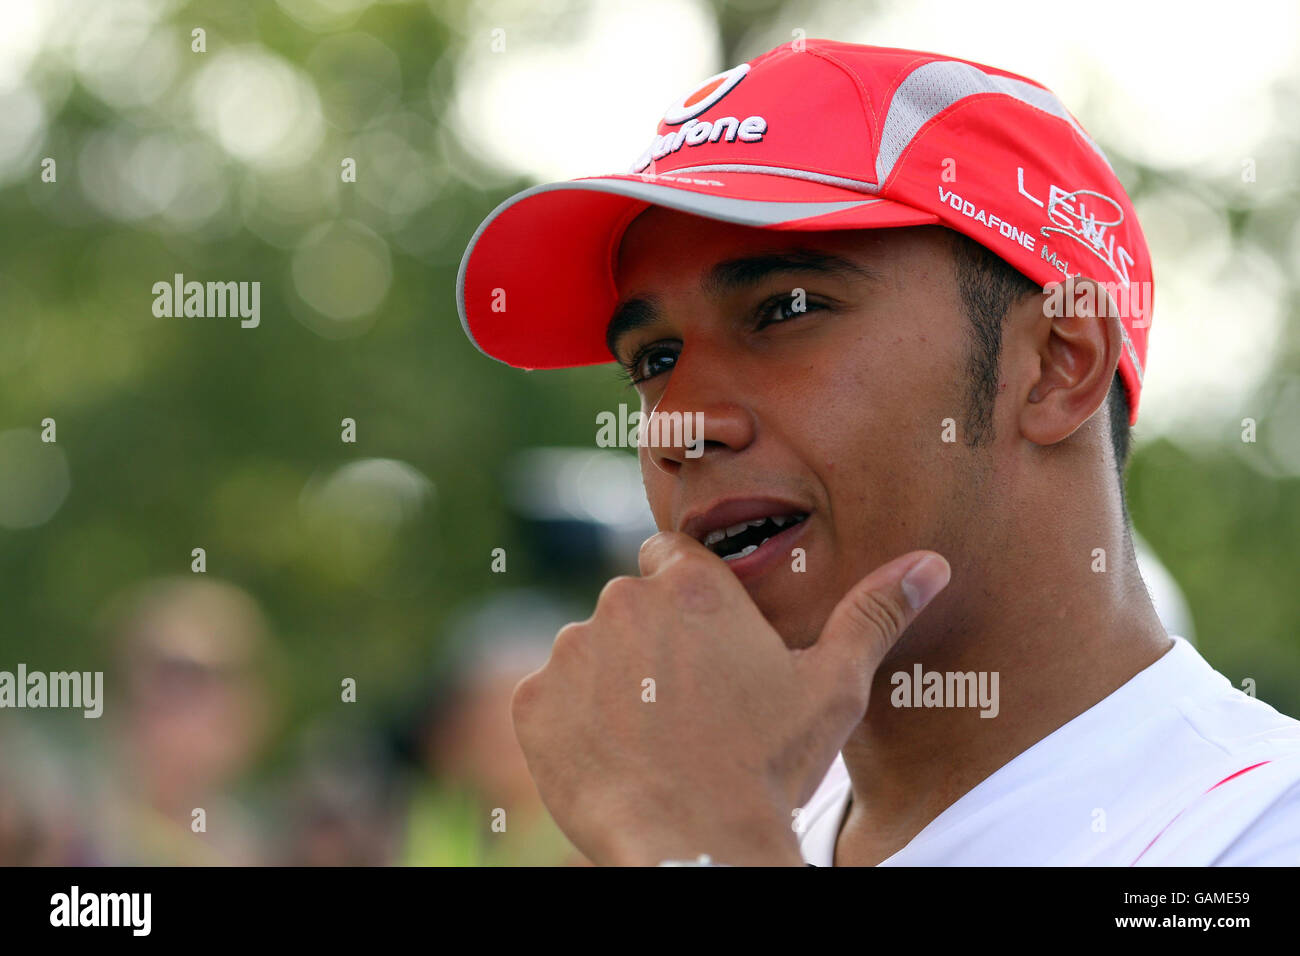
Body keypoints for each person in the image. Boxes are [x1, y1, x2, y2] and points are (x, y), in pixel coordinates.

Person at [454, 40, 1300, 866]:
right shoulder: (723, 803)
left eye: (784, 310)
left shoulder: (1260, 826)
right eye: (654, 360)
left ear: (1055, 366)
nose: (678, 424)